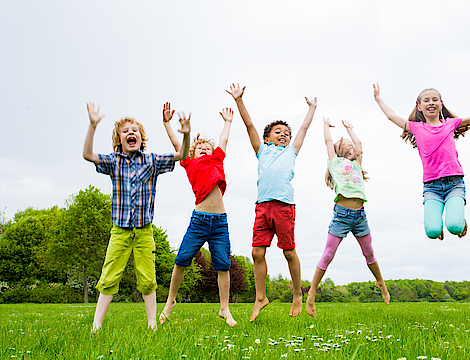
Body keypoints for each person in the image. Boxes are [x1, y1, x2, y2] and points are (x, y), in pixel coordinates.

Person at [83, 102, 188, 332]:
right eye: (125, 131)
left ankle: (152, 324)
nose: (131, 133)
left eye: (135, 130)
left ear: (141, 137)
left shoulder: (151, 160)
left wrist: (185, 133)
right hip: (119, 230)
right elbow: (88, 155)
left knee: (147, 277)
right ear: (119, 140)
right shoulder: (113, 161)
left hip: (144, 230)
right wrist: (92, 125)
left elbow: (182, 154)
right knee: (109, 275)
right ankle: (96, 325)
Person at [373, 84, 470, 240]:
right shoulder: (416, 127)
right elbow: (391, 115)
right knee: (432, 232)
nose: (431, 103)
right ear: (419, 107)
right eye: (426, 100)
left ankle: (459, 219)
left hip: (454, 183)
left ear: (441, 105)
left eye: (435, 100)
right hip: (432, 187)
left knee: (454, 227)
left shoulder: (450, 124)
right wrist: (378, 99)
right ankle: (437, 223)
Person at [227, 83, 317, 322]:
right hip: (262, 206)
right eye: (278, 132)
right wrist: (239, 100)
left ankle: (298, 294)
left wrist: (312, 109)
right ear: (267, 138)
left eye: (286, 133)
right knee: (257, 252)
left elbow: (304, 128)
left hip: (284, 206)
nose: (284, 134)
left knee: (289, 252)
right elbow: (249, 125)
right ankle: (260, 297)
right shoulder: (262, 150)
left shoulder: (291, 151)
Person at [159, 102, 237, 327]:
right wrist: (167, 123)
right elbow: (177, 143)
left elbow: (223, 141)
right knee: (182, 259)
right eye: (199, 147)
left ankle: (224, 308)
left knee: (223, 264)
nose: (204, 149)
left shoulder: (217, 159)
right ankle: (170, 302)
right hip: (199, 220)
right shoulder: (189, 162)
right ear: (192, 153)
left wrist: (228, 123)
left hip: (220, 222)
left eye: (207, 147)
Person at [306, 117, 390, 316]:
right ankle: (311, 294)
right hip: (342, 216)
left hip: (360, 216)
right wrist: (326, 126)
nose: (353, 147)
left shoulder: (357, 165)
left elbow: (360, 145)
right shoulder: (335, 163)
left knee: (369, 253)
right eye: (348, 146)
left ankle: (381, 283)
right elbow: (328, 142)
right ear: (340, 151)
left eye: (352, 146)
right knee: (328, 254)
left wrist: (350, 129)